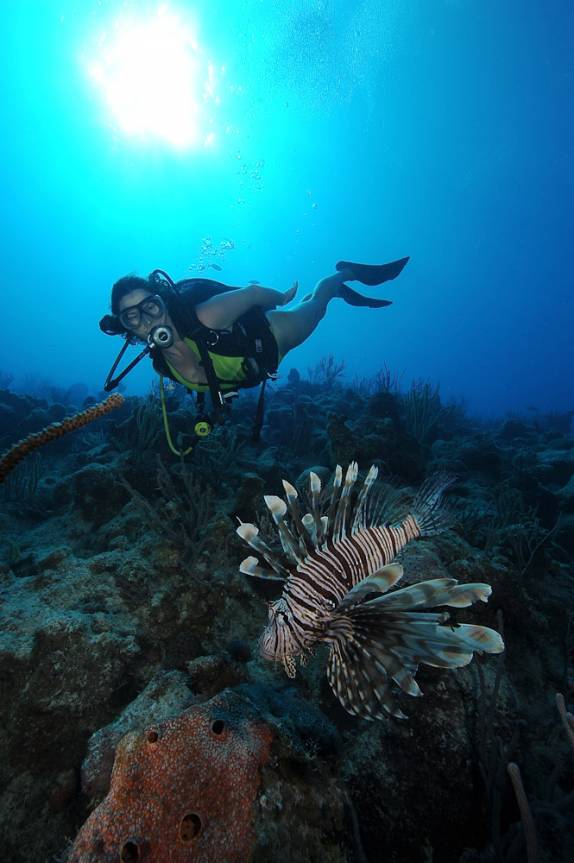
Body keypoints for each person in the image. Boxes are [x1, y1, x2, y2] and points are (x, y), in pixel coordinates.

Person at [99, 258, 409, 450]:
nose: (147, 320)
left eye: (150, 306)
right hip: (250, 369)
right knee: (312, 306)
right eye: (132, 316)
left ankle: (342, 277)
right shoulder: (160, 366)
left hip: (273, 337)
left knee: (317, 306)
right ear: (127, 329)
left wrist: (281, 298)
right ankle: (330, 289)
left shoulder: (206, 316)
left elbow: (253, 294)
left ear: (163, 302)